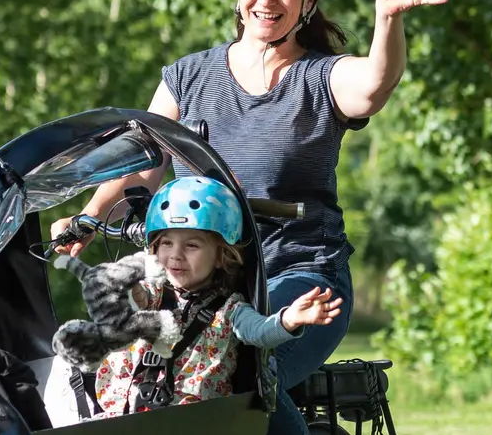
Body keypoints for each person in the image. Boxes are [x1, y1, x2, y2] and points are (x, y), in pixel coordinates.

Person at [52, 0, 454, 435]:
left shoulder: (320, 78)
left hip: (300, 275)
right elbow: (141, 160)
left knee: (247, 367)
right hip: (200, 280)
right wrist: (91, 217)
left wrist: (388, 19)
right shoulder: (189, 77)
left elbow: (374, 85)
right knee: (111, 364)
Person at [88, 177, 342, 417]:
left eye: (192, 245)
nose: (176, 255)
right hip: (126, 417)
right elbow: (135, 303)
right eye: (166, 243)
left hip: (196, 424)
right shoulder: (153, 292)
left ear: (222, 255)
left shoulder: (230, 309)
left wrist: (287, 320)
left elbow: (260, 333)